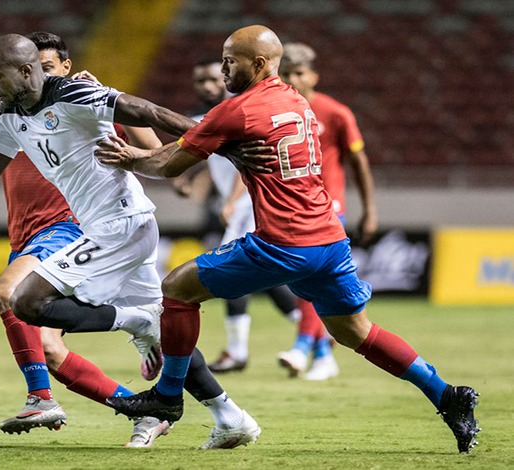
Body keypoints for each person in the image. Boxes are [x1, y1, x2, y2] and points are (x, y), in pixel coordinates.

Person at [98, 25, 480, 454]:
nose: (223, 69)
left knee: (177, 288)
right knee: (356, 332)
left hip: (283, 242)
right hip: (329, 242)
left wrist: (131, 158)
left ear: (258, 64)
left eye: (230, 60)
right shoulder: (296, 101)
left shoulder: (236, 110)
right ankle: (448, 396)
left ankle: (167, 397)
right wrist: (224, 150)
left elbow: (168, 166)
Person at [0, 33, 262, 449]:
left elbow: (148, 111)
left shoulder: (77, 92)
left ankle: (135, 322)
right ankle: (231, 417)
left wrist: (223, 142)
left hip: (120, 226)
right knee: (165, 340)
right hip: (116, 230)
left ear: (27, 71)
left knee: (28, 302)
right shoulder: (9, 116)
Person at [0, 31, 168, 446]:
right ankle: (148, 412)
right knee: (50, 351)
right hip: (26, 235)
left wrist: (107, 96)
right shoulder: (13, 115)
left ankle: (40, 397)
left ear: (62, 70)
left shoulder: (80, 103)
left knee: (5, 292)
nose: (38, 80)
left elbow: (151, 143)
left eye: (47, 69)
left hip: (66, 228)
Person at [179, 59, 301, 373]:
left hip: (247, 201)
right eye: (199, 81)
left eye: (211, 80)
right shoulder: (203, 117)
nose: (206, 87)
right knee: (267, 276)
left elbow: (241, 159)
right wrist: (189, 179)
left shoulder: (238, 111)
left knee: (233, 272)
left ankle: (237, 352)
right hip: (243, 204)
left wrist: (232, 201)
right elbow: (207, 153)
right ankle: (310, 332)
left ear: (223, 79)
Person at [275, 42, 378, 381]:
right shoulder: (277, 111)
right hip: (292, 208)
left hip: (329, 207)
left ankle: (303, 347)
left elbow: (359, 161)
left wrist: (370, 209)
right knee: (310, 282)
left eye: (299, 73)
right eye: (286, 73)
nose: (293, 79)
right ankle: (322, 354)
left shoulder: (336, 113)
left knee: (309, 277)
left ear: (314, 76)